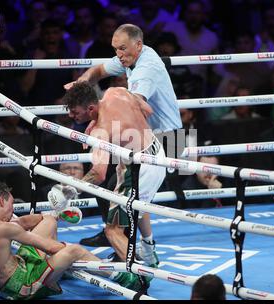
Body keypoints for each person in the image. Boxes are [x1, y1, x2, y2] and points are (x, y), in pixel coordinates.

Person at [64, 23, 184, 246]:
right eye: (115, 49)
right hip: (146, 136)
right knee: (108, 182)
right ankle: (115, 234)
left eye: (122, 49)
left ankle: (120, 238)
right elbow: (98, 71)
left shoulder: (146, 69)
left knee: (117, 188)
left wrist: (100, 124)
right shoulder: (130, 56)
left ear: (138, 45)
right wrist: (80, 86)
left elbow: (133, 108)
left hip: (168, 138)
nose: (118, 55)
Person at [0, 182, 144, 300]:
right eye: (10, 205)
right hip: (20, 287)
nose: (12, 211)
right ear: (2, 201)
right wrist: (67, 253)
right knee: (74, 251)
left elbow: (23, 222)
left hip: (5, 280)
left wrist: (55, 215)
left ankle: (56, 269)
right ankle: (124, 277)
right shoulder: (4, 228)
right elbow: (51, 247)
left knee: (49, 222)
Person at [62, 81, 166, 269]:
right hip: (157, 152)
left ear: (90, 108)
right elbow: (148, 110)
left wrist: (71, 189)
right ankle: (149, 251)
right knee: (138, 204)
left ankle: (137, 278)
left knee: (112, 230)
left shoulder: (101, 131)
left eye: (75, 112)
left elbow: (99, 174)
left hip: (139, 167)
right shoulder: (115, 92)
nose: (70, 115)